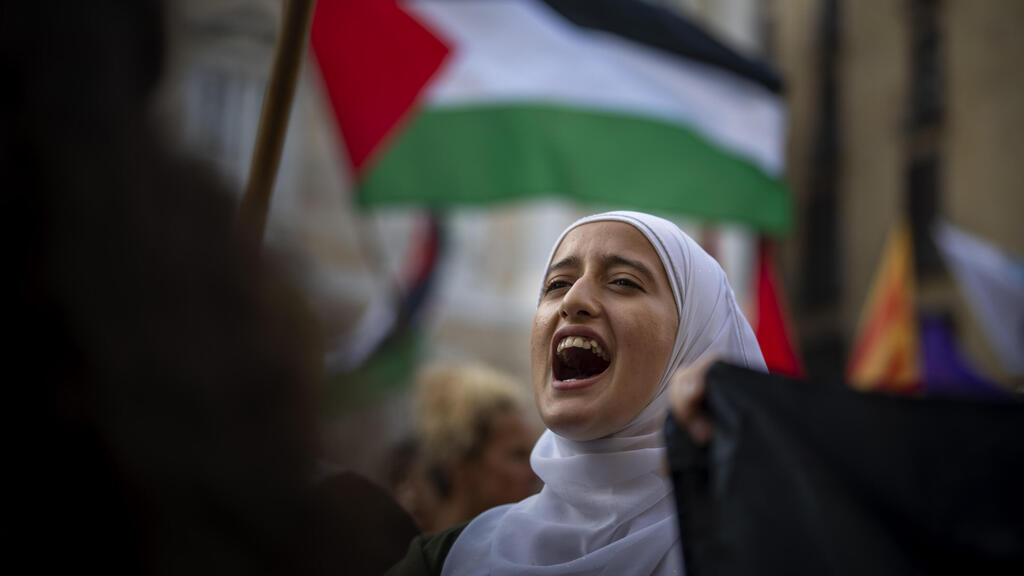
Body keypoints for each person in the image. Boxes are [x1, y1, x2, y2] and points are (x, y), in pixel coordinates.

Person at [387, 210, 766, 576]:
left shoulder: (774, 552)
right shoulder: (445, 562)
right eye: (556, 285)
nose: (573, 301)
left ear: (697, 342)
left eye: (623, 281)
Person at [410, 362, 541, 533]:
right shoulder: (422, 557)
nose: (535, 474)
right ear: (462, 467)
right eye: (518, 456)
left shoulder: (524, 551)